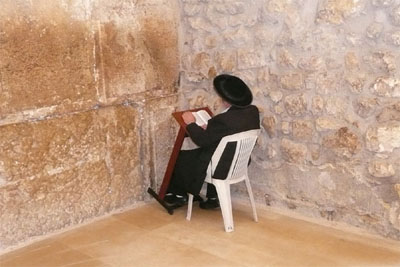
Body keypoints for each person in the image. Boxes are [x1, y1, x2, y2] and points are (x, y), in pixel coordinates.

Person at [165, 74, 260, 209]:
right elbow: (227, 130)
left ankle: (179, 195)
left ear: (225, 100)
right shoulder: (252, 112)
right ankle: (213, 197)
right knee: (217, 150)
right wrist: (210, 127)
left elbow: (201, 140)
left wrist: (191, 123)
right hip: (240, 163)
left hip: (221, 168)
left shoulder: (224, 120)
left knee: (182, 157)